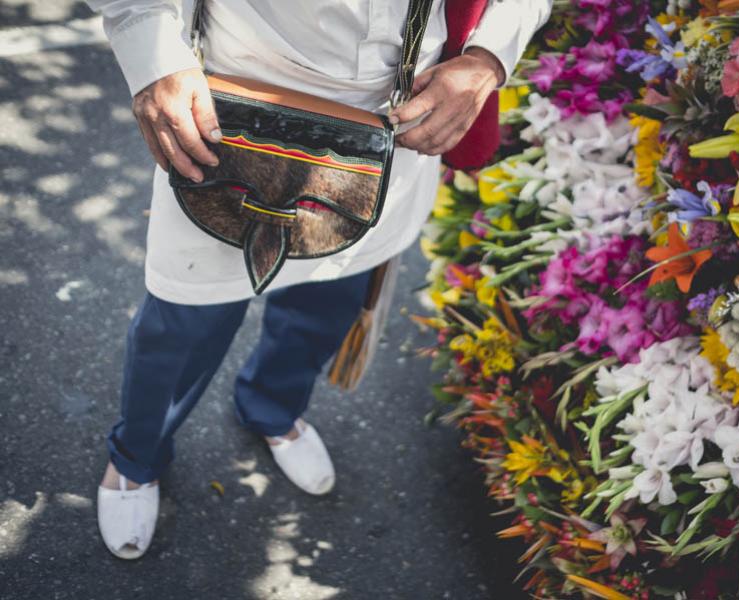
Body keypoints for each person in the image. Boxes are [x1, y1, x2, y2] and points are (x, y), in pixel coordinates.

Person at [85, 0, 552, 559]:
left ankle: (272, 407)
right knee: (183, 325)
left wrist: (485, 59)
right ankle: (137, 456)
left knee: (326, 308)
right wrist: (155, 58)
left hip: (387, 140)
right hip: (235, 117)